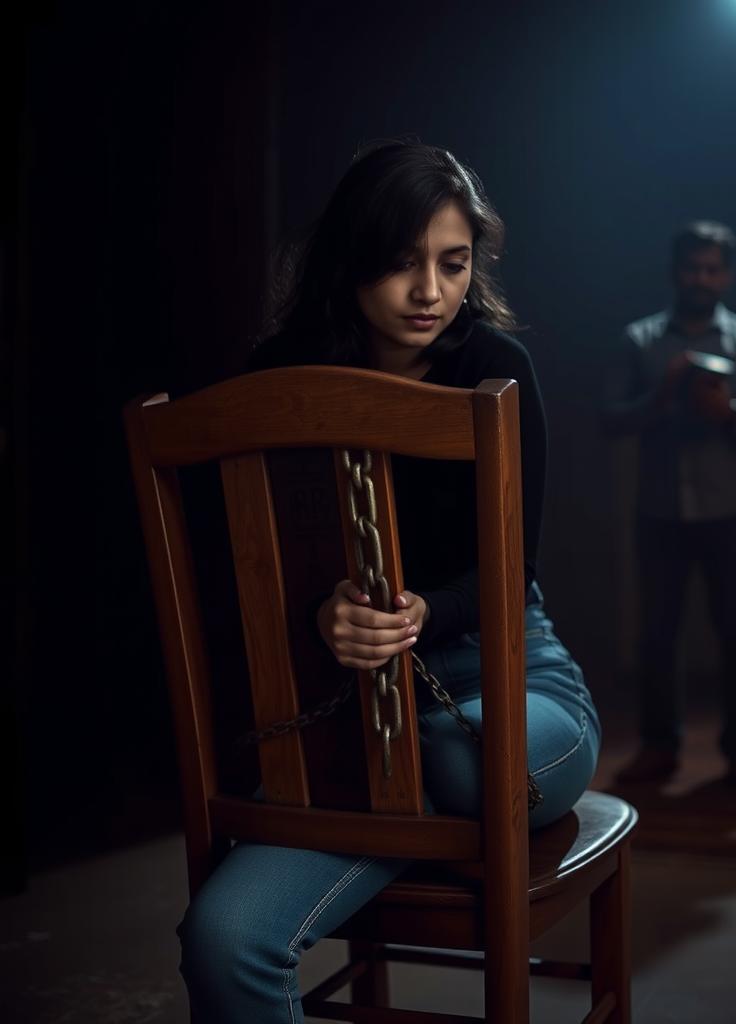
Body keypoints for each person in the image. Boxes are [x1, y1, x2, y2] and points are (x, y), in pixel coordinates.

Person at [176, 140, 601, 1023]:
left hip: (506, 682)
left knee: (455, 757)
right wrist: (319, 610)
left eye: (453, 265)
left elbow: (512, 567)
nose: (431, 294)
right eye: (404, 264)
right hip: (347, 724)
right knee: (221, 941)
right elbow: (240, 565)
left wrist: (419, 611)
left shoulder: (497, 367)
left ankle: (413, 812)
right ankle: (406, 818)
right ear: (352, 258)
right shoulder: (277, 378)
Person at [604, 220, 736, 788]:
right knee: (657, 636)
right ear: (675, 271)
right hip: (659, 511)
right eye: (692, 267)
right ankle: (659, 748)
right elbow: (608, 419)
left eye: (712, 268)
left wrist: (731, 414)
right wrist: (661, 397)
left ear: (727, 275)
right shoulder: (638, 340)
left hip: (729, 512)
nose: (701, 278)